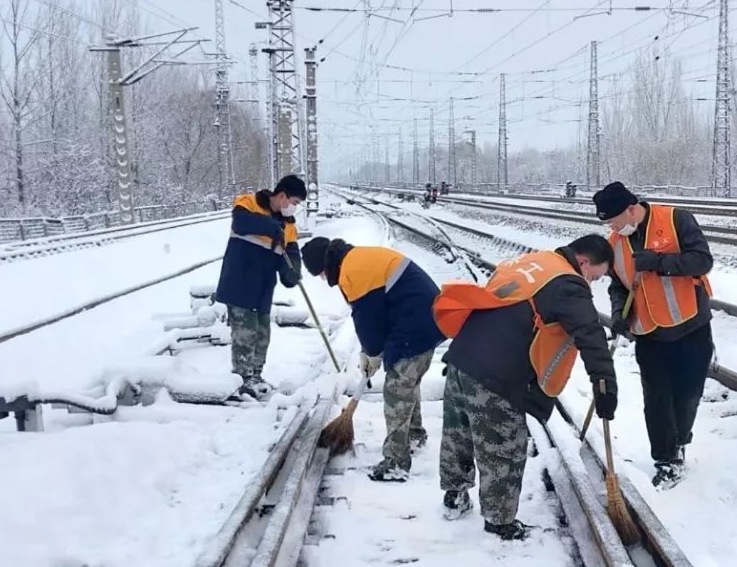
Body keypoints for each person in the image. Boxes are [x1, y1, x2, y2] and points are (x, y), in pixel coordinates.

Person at [432, 235, 618, 541]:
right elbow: (591, 335)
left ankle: (454, 496)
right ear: (583, 262)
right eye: (595, 276)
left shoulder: (534, 261)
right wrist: (605, 386)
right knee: (503, 448)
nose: (592, 283)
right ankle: (499, 523)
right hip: (497, 374)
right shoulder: (569, 283)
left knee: (458, 435)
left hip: (462, 357)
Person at [593, 181, 714, 489]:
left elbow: (703, 260)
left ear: (632, 209)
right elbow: (618, 284)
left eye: (616, 221)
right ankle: (666, 460)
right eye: (609, 224)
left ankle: (680, 440)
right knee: (656, 400)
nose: (614, 228)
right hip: (649, 333)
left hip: (691, 327)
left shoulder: (676, 219)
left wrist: (660, 263)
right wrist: (619, 312)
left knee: (687, 396)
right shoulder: (615, 243)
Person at [300, 237, 445, 482]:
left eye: (321, 275)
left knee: (397, 390)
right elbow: (373, 316)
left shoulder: (353, 271)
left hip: (416, 323)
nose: (324, 280)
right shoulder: (356, 258)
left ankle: (396, 462)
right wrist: (370, 352)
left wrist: (372, 352)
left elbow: (369, 322)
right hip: (425, 317)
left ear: (325, 266)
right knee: (406, 383)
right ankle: (414, 435)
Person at [215, 175, 305, 399]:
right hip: (240, 283)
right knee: (245, 335)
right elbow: (241, 223)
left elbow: (292, 252)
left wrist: (292, 272)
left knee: (263, 334)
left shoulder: (289, 226)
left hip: (264, 287)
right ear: (282, 196)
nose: (295, 208)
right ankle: (243, 379)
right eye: (294, 202)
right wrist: (273, 228)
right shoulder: (249, 203)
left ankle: (256, 376)